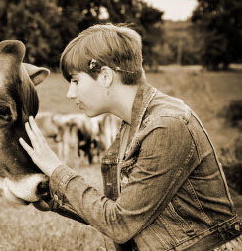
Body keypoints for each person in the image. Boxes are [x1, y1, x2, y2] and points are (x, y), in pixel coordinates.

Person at [19, 23, 242, 250]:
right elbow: (120, 209)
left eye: (76, 80)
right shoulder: (132, 124)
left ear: (105, 76)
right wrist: (50, 194)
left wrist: (57, 169)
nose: (70, 93)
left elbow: (120, 224)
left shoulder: (167, 126)